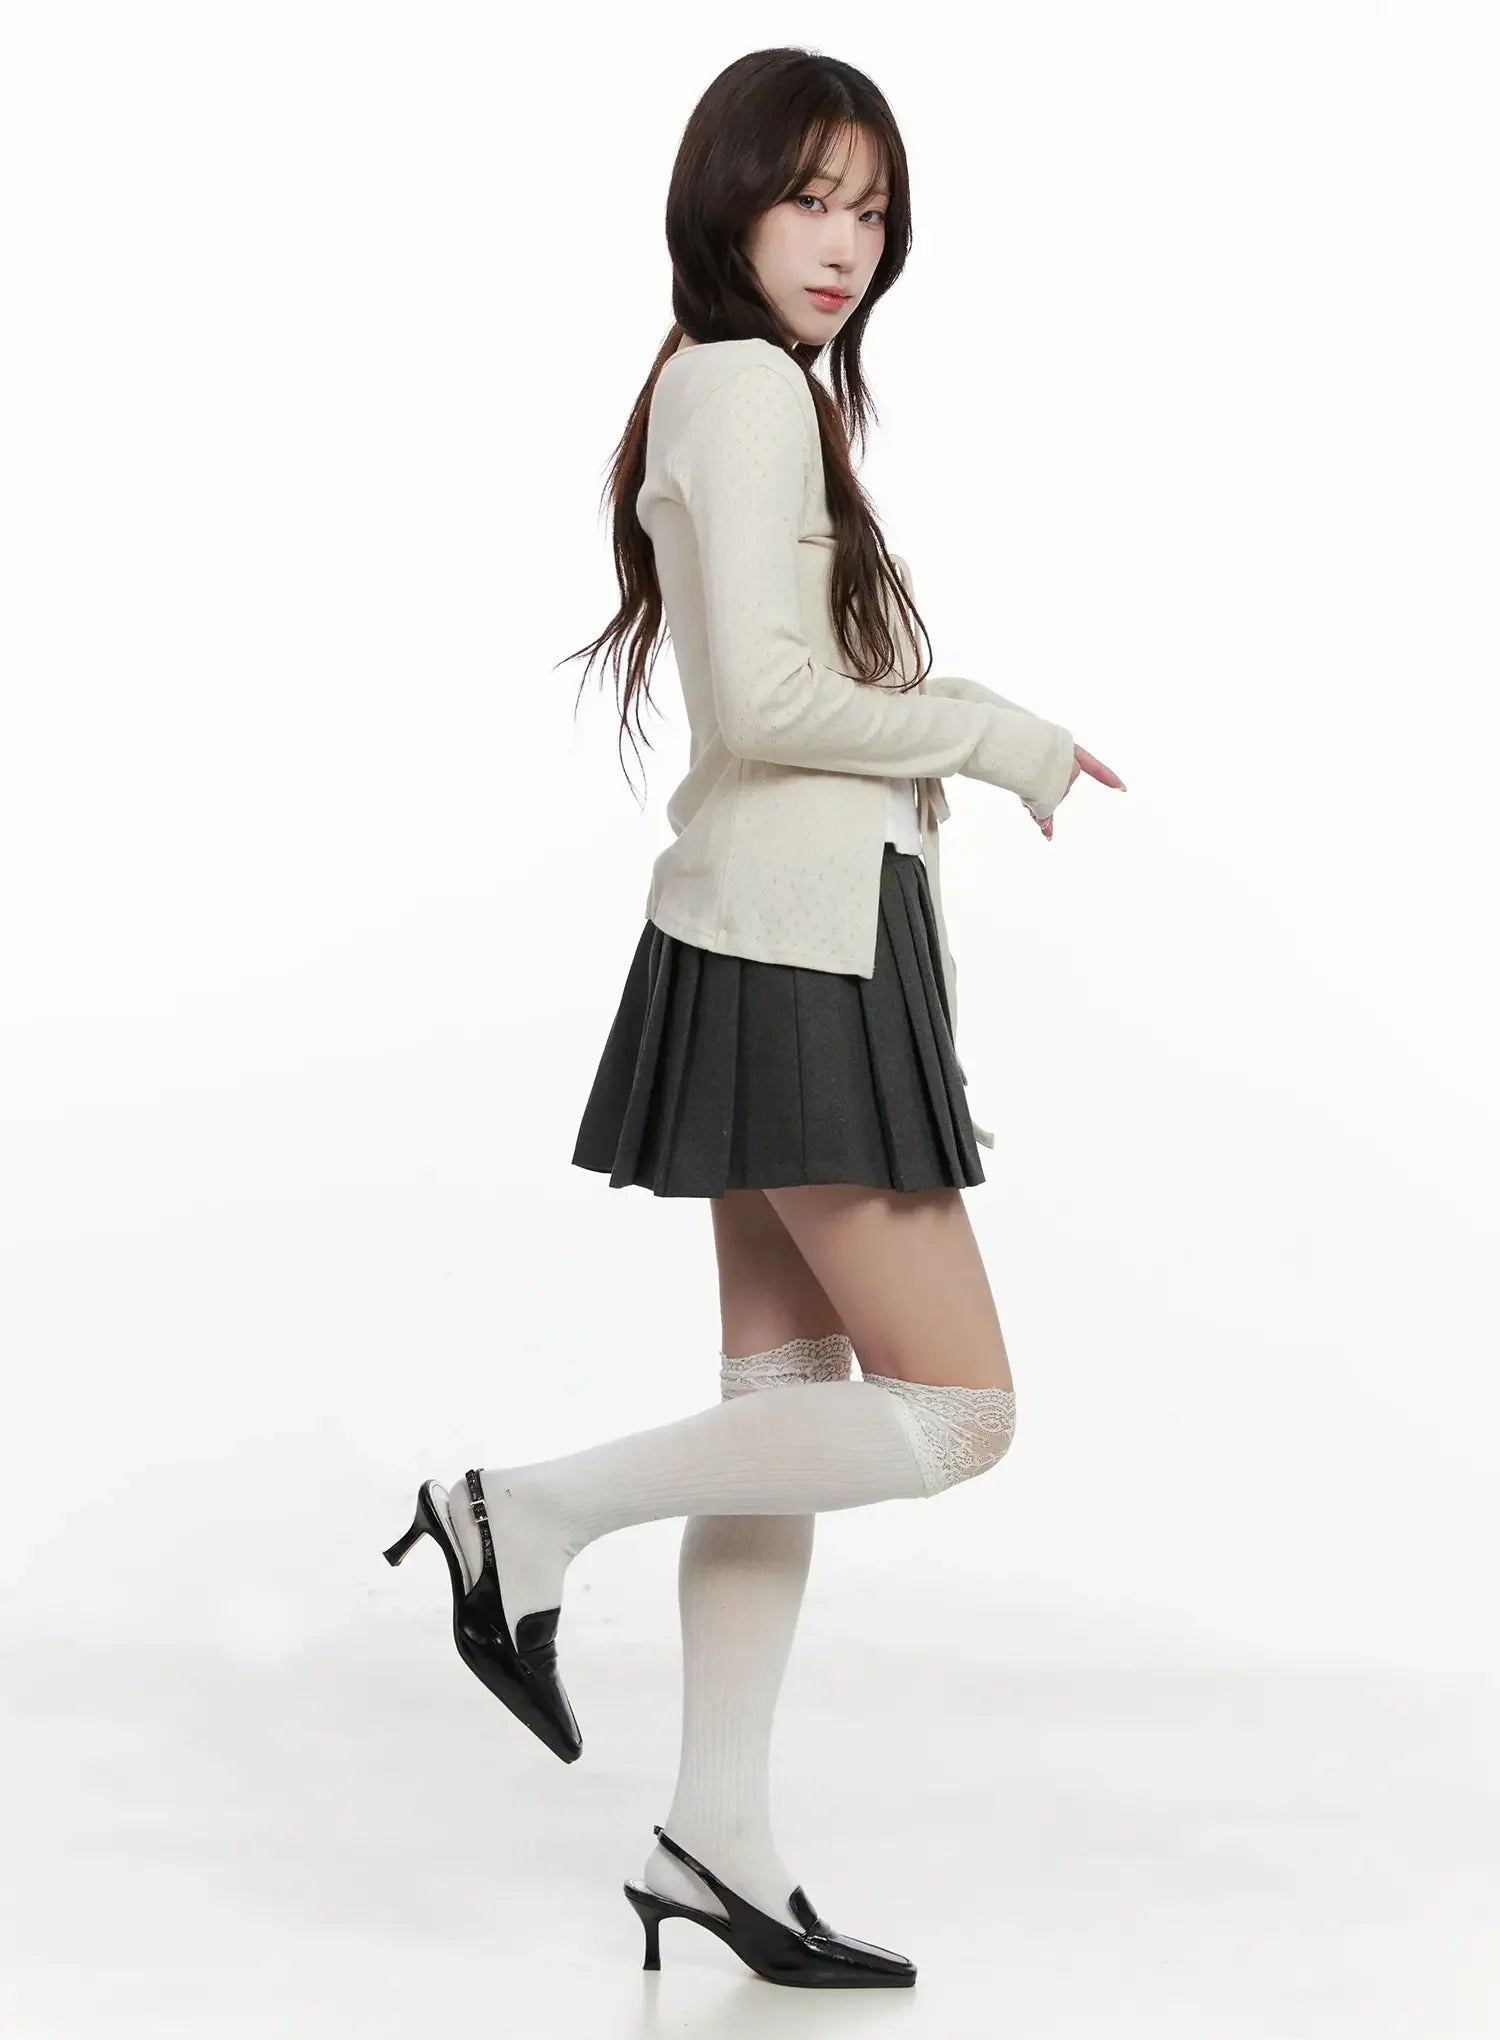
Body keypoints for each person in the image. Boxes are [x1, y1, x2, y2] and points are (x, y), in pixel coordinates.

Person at [385, 45, 1126, 1990]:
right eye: (810, 196)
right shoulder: (743, 389)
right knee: (960, 1413)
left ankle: (713, 1836)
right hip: (797, 953)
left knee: (782, 1408)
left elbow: (767, 706)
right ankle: (522, 1515)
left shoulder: (736, 391)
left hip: (781, 939)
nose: (844, 242)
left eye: (872, 210)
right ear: (726, 200)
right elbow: (766, 706)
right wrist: (998, 731)